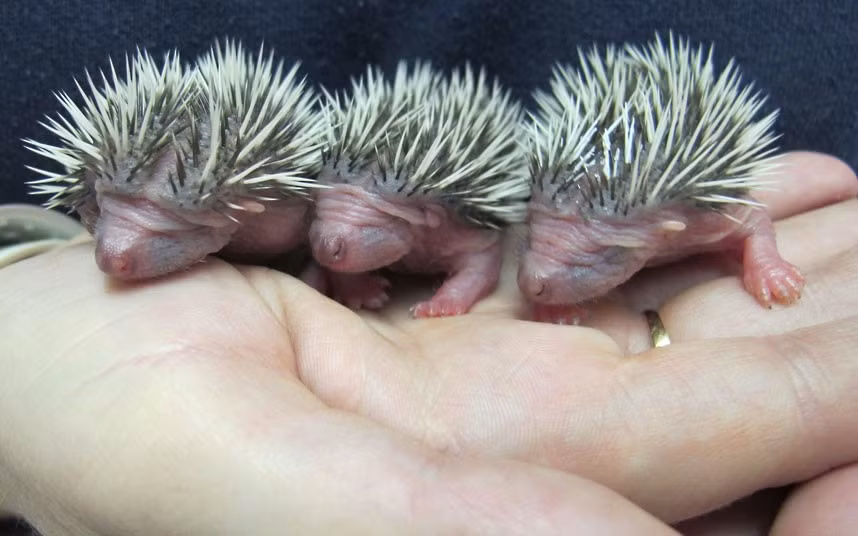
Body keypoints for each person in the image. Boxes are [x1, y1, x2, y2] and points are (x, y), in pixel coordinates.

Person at [0, 150, 856, 534]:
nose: (113, 259)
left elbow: (489, 247)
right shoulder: (302, 210)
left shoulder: (681, 214)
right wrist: (25, 277)